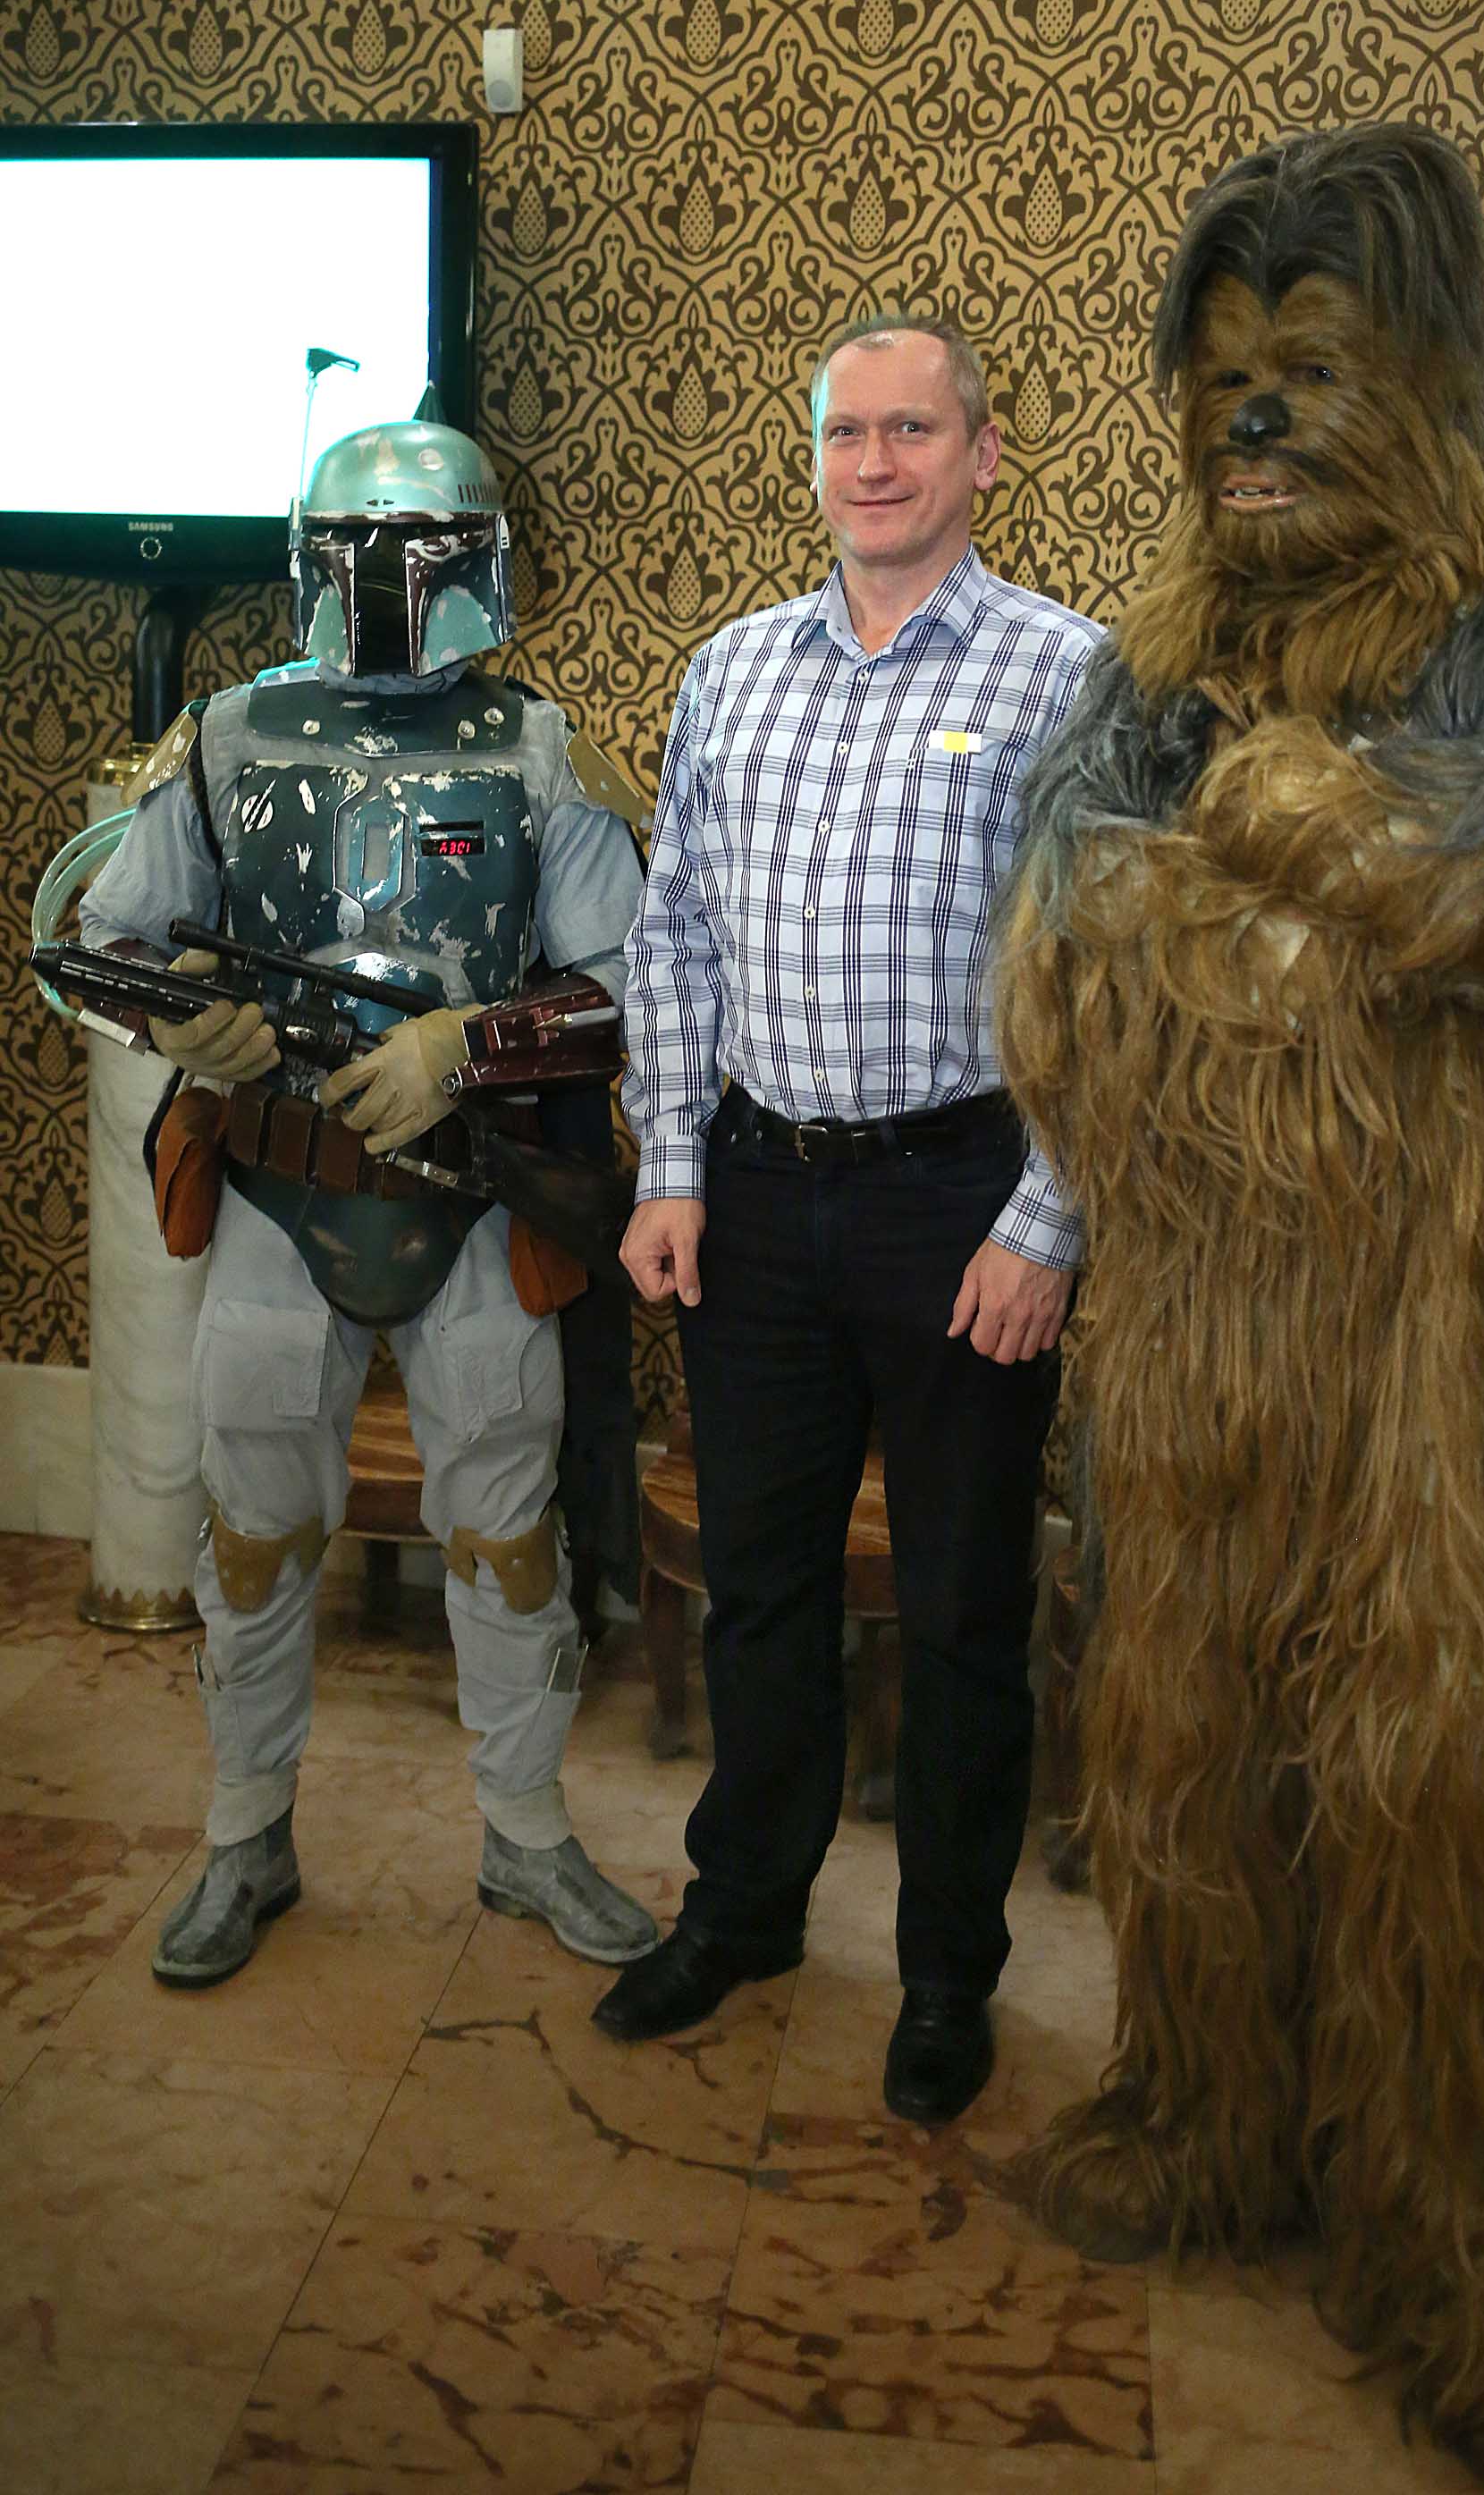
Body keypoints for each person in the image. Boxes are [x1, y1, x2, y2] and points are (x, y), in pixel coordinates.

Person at [996, 126, 1484, 2492]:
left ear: (1427, 386)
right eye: (1221, 376)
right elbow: (1058, 943)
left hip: (1476, 1338)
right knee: (1185, 1761)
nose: (1251, 419)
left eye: (1308, 368)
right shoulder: (1149, 670)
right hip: (1205, 1343)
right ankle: (1209, 2117)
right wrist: (1320, 924)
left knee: (1468, 1799)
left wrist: (1329, 842)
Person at [79, 404, 658, 1987]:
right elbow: (105, 939)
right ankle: (244, 1834)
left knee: (508, 1532)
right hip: (280, 1191)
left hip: (477, 1200)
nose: (392, 580)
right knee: (256, 1538)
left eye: (421, 549)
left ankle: (525, 1834)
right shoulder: (224, 737)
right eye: (362, 550)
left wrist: (471, 1043)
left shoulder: (538, 748)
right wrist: (185, 1019)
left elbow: (632, 981)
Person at [600, 313, 1102, 2123]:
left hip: (960, 1204)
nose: (873, 463)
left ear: (983, 453)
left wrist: (1047, 1223)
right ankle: (743, 1911)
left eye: (912, 430)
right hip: (754, 1197)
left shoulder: (1068, 673)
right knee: (761, 1592)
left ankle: (948, 1978)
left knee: (963, 1609)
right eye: (844, 432)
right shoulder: (733, 670)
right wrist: (670, 1168)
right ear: (812, 455)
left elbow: (1109, 974)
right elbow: (674, 937)